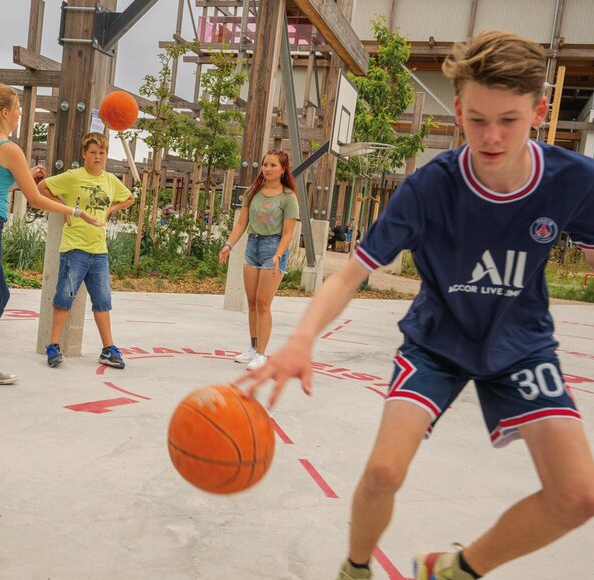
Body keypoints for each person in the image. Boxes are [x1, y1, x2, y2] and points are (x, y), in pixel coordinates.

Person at [238, 30, 594, 580]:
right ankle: (356, 568)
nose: (492, 136)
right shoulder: (430, 187)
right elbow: (350, 274)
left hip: (521, 345)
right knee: (384, 471)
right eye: (477, 119)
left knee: (578, 495)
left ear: (539, 112)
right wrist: (301, 339)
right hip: (436, 343)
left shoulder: (572, 180)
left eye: (509, 120)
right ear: (459, 111)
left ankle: (454, 569)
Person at [0, 84, 100, 404]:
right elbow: (36, 199)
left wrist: (22, 176)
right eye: (17, 108)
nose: (20, 113)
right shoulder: (10, 149)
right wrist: (74, 211)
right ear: (4, 112)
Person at [38, 132, 135, 369]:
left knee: (103, 301)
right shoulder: (73, 176)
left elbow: (130, 198)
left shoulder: (110, 180)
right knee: (64, 297)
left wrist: (111, 209)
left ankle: (108, 349)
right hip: (75, 249)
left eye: (102, 153)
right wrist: (64, 209)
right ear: (84, 154)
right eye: (93, 152)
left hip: (99, 251)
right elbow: (42, 187)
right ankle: (53, 346)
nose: (97, 157)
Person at [219, 150, 299, 371]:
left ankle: (262, 355)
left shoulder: (288, 197)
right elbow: (241, 224)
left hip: (273, 249)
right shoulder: (252, 192)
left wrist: (278, 254)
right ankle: (253, 348)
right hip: (252, 247)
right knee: (253, 302)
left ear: (283, 169)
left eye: (273, 165)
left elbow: (288, 233)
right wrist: (229, 245)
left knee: (264, 303)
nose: (267, 169)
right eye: (265, 164)